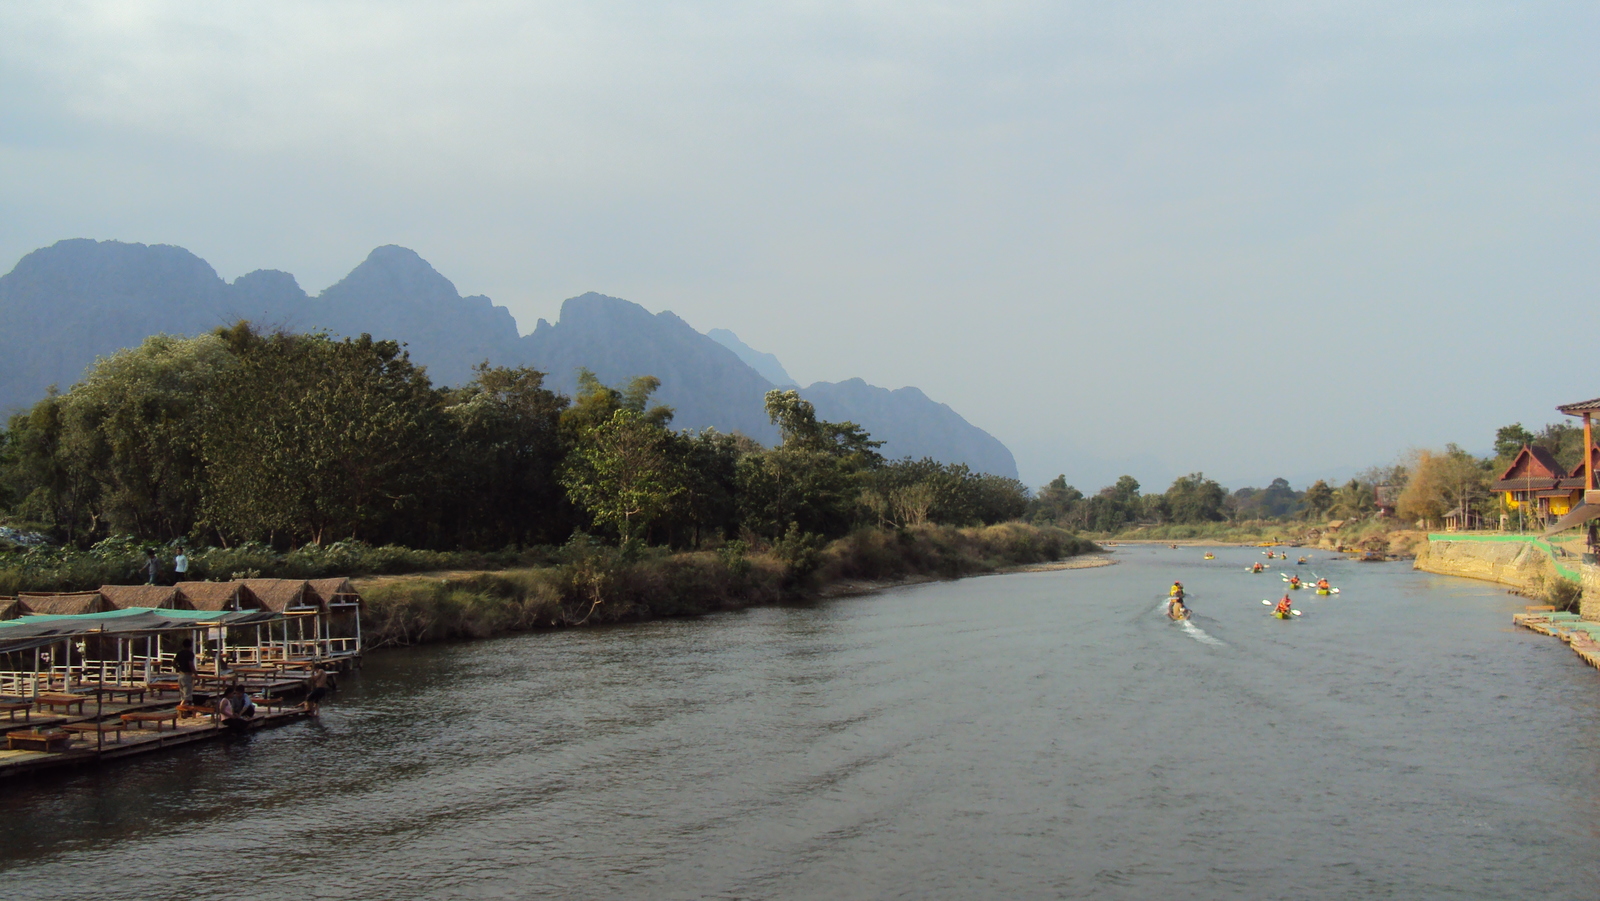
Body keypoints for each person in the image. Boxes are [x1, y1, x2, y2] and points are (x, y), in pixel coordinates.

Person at [174, 638, 197, 705]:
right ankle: (180, 710)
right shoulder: (190, 654)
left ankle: (184, 712)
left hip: (181, 675)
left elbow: (173, 663)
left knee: (183, 695)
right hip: (187, 675)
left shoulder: (179, 653)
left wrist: (178, 668)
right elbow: (191, 664)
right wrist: (196, 675)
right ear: (190, 646)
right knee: (187, 697)